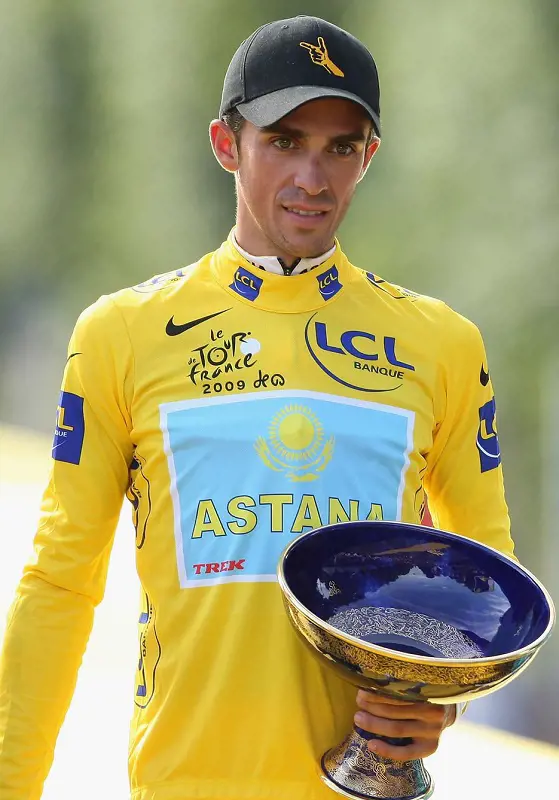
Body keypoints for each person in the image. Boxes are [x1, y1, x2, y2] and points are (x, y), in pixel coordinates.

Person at [0, 14, 515, 800]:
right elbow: (59, 586)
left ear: (367, 158)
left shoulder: (441, 343)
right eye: (284, 139)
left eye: (341, 147)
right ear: (224, 144)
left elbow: (490, 590)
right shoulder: (121, 334)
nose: (313, 176)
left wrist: (444, 696)